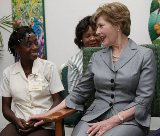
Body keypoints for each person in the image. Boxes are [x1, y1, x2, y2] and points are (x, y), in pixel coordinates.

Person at [28, 2, 156, 136]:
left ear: (118, 24)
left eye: (101, 26)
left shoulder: (144, 55)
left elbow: (143, 100)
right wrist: (47, 114)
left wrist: (111, 122)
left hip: (129, 120)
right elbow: (78, 93)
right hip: (95, 116)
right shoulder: (96, 57)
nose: (97, 32)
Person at [0, 26, 64, 136]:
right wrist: (16, 120)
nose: (35, 47)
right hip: (20, 123)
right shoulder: (8, 73)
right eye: (29, 44)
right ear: (17, 48)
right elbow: (5, 108)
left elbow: (58, 100)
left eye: (36, 43)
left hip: (46, 123)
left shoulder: (49, 67)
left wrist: (41, 120)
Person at [68, 15, 101, 93]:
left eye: (95, 34)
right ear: (81, 39)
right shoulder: (73, 61)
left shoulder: (111, 54)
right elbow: (73, 92)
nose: (92, 39)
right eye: (87, 36)